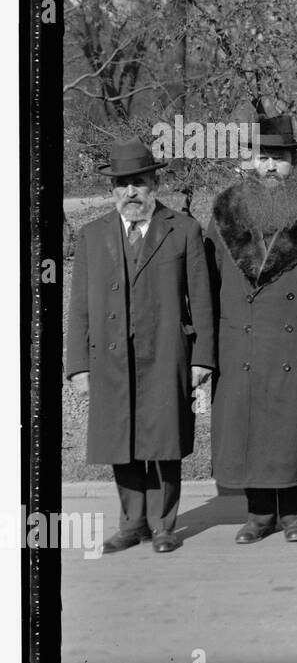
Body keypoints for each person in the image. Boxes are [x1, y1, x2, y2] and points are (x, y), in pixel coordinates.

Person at [66, 139, 214, 554]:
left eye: (139, 183)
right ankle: (132, 523)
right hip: (111, 358)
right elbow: (79, 307)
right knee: (121, 437)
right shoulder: (93, 235)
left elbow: (201, 300)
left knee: (164, 438)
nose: (131, 192)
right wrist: (78, 365)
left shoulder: (184, 230)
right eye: (122, 185)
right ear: (112, 190)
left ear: (154, 184)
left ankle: (163, 524)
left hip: (166, 353)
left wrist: (202, 358)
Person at [205, 115, 297, 543]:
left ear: (294, 162)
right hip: (241, 342)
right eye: (261, 157)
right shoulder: (225, 211)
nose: (269, 167)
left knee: (292, 426)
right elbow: (206, 279)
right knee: (249, 426)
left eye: (279, 159)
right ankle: (259, 514)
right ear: (249, 163)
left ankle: (295, 515)